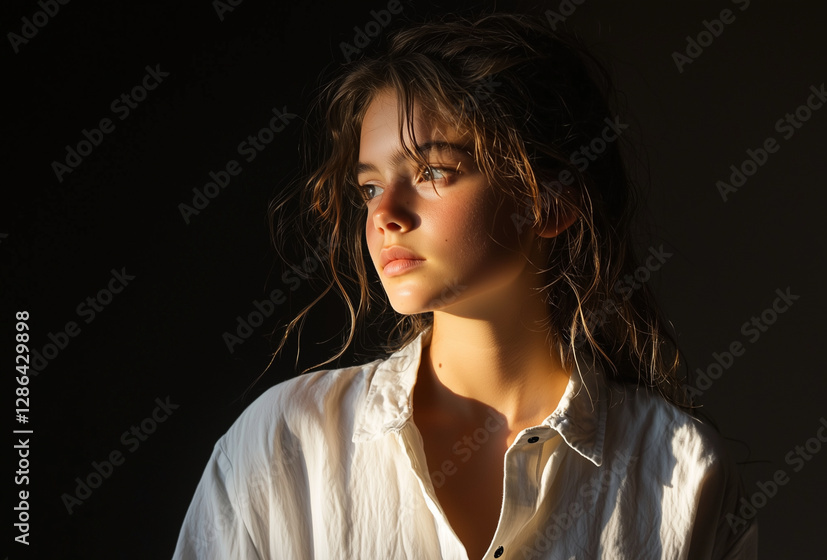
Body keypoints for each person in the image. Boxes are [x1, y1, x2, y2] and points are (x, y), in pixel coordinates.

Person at [173, 12, 758, 560]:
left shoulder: (687, 472)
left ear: (550, 201)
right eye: (370, 187)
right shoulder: (281, 446)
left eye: (433, 171)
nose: (386, 215)